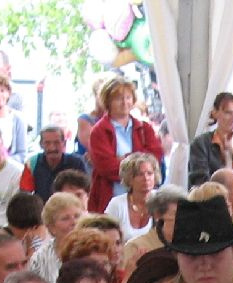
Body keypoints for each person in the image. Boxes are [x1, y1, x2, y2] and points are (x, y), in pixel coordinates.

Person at [87, 78, 164, 215]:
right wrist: (138, 160)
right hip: (111, 197)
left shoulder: (145, 128)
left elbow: (155, 159)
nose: (124, 102)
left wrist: (124, 159)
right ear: (107, 101)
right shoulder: (99, 131)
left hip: (144, 199)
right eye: (118, 98)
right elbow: (106, 167)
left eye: (128, 97)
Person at [187, 91, 233, 187]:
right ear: (215, 113)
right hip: (211, 199)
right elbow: (200, 181)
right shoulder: (201, 144)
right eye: (228, 113)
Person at [104, 151, 160, 240]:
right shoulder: (117, 204)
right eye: (140, 174)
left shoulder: (162, 201)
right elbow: (105, 238)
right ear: (129, 179)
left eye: (149, 173)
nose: (146, 178)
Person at [29, 124, 87, 201]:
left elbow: (84, 191)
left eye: (57, 143)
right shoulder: (32, 163)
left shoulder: (76, 163)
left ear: (64, 143)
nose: (52, 148)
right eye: (47, 143)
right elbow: (26, 194)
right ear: (41, 144)